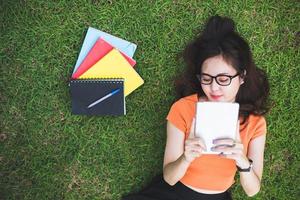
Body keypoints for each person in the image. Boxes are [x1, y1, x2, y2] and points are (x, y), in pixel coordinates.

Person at [123, 15, 270, 200]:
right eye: (206, 79)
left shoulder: (255, 123)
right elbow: (169, 178)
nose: (214, 88)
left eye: (223, 79)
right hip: (174, 193)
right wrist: (186, 157)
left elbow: (252, 190)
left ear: (241, 77)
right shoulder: (183, 108)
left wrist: (242, 161)